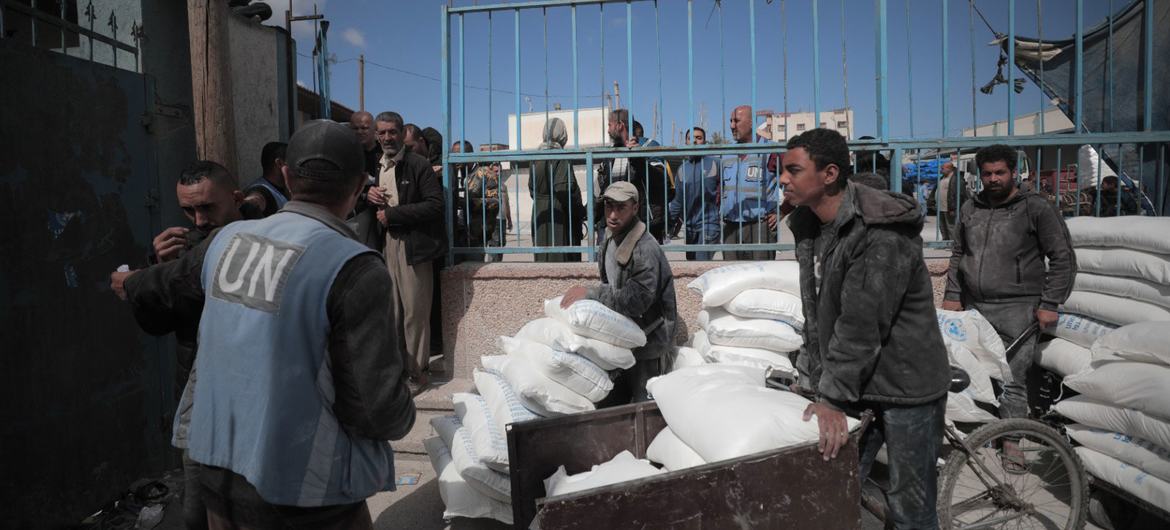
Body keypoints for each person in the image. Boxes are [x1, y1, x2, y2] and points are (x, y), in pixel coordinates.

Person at [126, 120, 415, 528]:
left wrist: (127, 281)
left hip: (218, 476)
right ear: (360, 184)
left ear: (286, 175)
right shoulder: (355, 267)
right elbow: (376, 410)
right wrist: (405, 413)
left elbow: (156, 290)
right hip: (307, 495)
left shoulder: (226, 242)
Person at [782, 128, 949, 529]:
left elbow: (861, 324)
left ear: (829, 174)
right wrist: (817, 380)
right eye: (781, 170)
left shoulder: (879, 232)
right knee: (833, 486)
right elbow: (819, 312)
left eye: (793, 169)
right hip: (859, 383)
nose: (783, 179)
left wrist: (833, 398)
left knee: (910, 512)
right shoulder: (810, 226)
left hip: (906, 387)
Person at [109, 160, 246, 530]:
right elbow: (158, 325)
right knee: (198, 507)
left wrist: (147, 280)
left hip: (248, 402)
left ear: (236, 199)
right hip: (199, 401)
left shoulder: (258, 242)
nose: (199, 220)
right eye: (189, 210)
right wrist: (158, 267)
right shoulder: (187, 248)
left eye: (207, 207)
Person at [943, 144, 1075, 473]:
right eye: (986, 174)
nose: (993, 179)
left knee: (1012, 376)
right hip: (975, 305)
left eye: (999, 172)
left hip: (1019, 307)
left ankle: (1012, 441)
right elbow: (959, 254)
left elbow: (1062, 257)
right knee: (972, 369)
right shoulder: (970, 208)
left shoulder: (1036, 208)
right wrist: (953, 293)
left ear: (1013, 172)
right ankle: (979, 431)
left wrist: (1049, 302)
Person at [561, 181, 677, 404]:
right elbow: (610, 283)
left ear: (635, 208)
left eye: (621, 208)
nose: (612, 215)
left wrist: (592, 293)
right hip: (623, 339)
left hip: (649, 344)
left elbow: (637, 301)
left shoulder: (645, 249)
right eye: (608, 207)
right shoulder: (610, 239)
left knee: (646, 408)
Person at [367, 111, 447, 389]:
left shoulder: (418, 165)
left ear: (401, 134)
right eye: (382, 133)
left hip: (414, 247)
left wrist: (395, 215)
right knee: (393, 312)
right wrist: (369, 195)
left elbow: (435, 204)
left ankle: (418, 373)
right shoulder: (377, 166)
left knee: (415, 311)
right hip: (386, 245)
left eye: (392, 132)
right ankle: (398, 371)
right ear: (376, 136)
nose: (387, 137)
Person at [595, 109, 672, 242]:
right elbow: (603, 190)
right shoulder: (610, 154)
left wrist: (637, 158)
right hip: (614, 226)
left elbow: (661, 182)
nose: (608, 130)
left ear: (620, 125)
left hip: (642, 225)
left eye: (609, 125)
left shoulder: (648, 147)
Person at [721, 105, 780, 260]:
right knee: (732, 277)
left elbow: (794, 180)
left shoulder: (770, 149)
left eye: (736, 121)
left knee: (760, 276)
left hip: (759, 226)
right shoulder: (726, 153)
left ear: (751, 123)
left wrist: (782, 211)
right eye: (730, 121)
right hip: (730, 226)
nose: (732, 125)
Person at [529, 117, 586, 262]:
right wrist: (579, 210)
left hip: (540, 211)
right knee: (560, 256)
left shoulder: (535, 158)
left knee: (543, 255)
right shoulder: (560, 156)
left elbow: (531, 189)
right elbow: (562, 189)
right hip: (559, 213)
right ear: (563, 134)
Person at [668, 127, 721, 260]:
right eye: (690, 138)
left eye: (698, 138)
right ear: (686, 142)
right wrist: (667, 223)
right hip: (690, 227)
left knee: (700, 264)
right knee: (691, 265)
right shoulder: (682, 169)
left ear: (704, 142)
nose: (695, 141)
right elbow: (677, 202)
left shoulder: (715, 163)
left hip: (709, 225)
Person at [465, 159, 508, 262]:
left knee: (479, 252)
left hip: (482, 221)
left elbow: (473, 197)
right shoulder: (481, 174)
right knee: (491, 247)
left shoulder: (481, 173)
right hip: (485, 220)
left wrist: (465, 203)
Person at [242, 141, 289, 219]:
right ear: (279, 163)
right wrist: (249, 202)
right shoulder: (261, 190)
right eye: (291, 162)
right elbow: (255, 199)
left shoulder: (285, 188)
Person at [936, 161, 969, 240]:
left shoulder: (957, 179)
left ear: (949, 168)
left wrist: (954, 207)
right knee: (942, 226)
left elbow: (959, 194)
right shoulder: (942, 178)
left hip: (950, 208)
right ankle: (945, 241)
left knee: (951, 226)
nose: (941, 170)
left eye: (942, 168)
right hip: (940, 207)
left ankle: (953, 243)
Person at [350, 111, 382, 177]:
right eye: (355, 128)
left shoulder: (385, 153)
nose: (359, 132)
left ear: (374, 129)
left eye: (364, 128)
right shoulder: (345, 154)